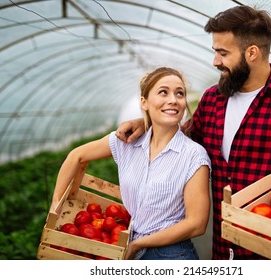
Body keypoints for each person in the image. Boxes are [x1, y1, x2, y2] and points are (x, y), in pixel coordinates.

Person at [115, 5, 271, 260]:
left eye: (223, 53)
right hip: (223, 252)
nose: (215, 61)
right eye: (215, 52)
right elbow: (182, 139)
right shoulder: (213, 100)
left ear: (252, 53)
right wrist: (148, 121)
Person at [51, 67, 211, 260]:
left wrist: (138, 244)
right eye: (163, 92)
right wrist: (55, 207)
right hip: (129, 246)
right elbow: (77, 156)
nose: (173, 100)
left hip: (171, 254)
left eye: (180, 93)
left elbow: (197, 223)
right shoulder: (127, 142)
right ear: (144, 102)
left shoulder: (193, 155)